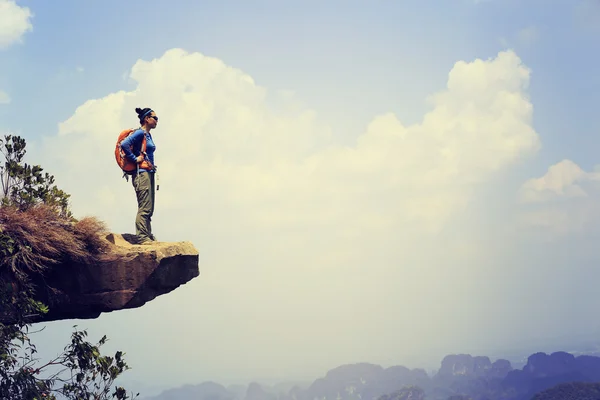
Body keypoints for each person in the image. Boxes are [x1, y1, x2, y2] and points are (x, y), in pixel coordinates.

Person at [120, 107, 158, 245]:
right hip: (141, 173)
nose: (156, 121)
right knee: (145, 206)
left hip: (149, 172)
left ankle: (147, 234)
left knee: (150, 206)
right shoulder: (139, 133)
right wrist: (134, 159)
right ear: (146, 119)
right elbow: (124, 144)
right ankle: (142, 237)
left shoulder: (148, 135)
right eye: (155, 118)